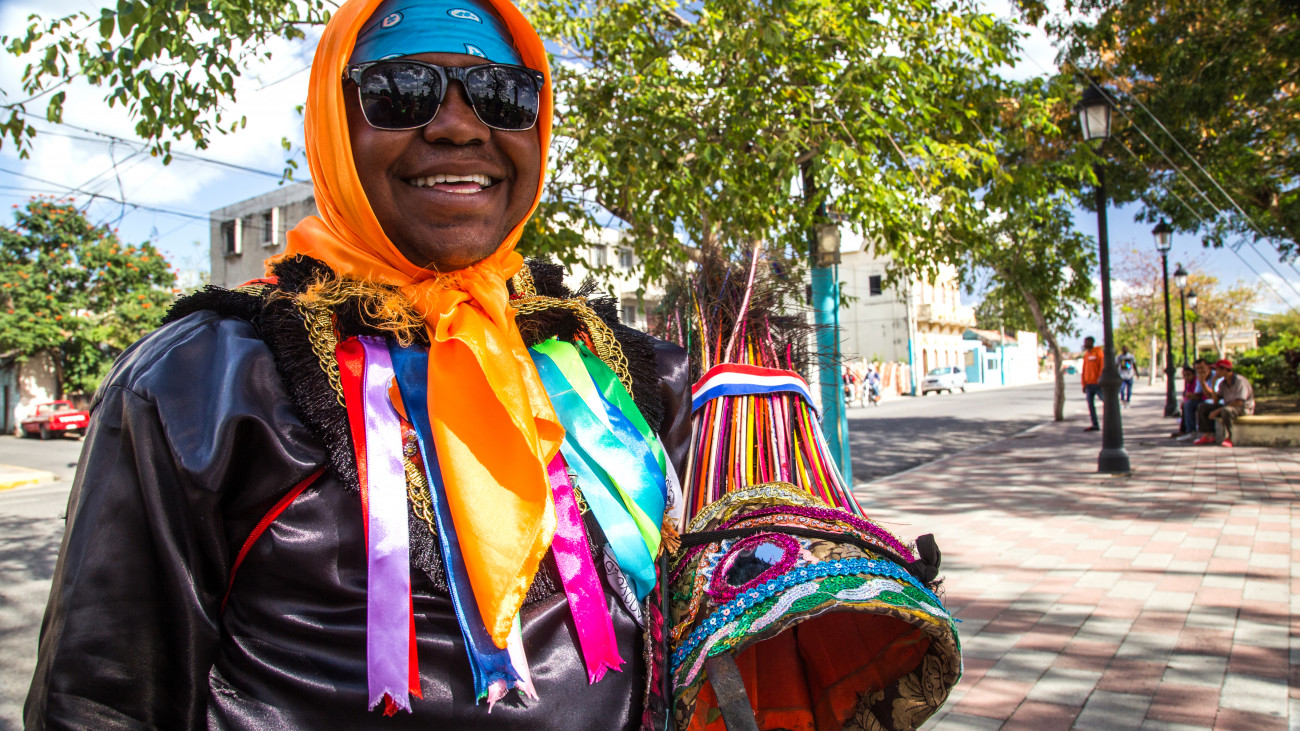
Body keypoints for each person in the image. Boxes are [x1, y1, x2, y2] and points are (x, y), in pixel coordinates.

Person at [25, 1, 691, 728]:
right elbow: (100, 702)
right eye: (402, 92)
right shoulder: (205, 382)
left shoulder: (628, 371)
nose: (461, 127)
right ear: (335, 128)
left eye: (503, 96)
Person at [1194, 359, 1254, 448]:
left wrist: (1218, 411)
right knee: (1203, 407)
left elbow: (1239, 401)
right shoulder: (1223, 383)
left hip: (1243, 408)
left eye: (1217, 369)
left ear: (1225, 370)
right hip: (1229, 406)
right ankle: (1208, 435)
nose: (1215, 372)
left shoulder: (1240, 381)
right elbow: (1215, 400)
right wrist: (1213, 384)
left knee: (1226, 410)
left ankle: (1230, 437)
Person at [1172, 361, 1206, 440]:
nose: (1186, 377)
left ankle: (1190, 431)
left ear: (1193, 374)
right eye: (1184, 375)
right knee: (1186, 405)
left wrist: (1190, 398)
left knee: (1188, 405)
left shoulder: (1197, 380)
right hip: (1195, 400)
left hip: (1203, 400)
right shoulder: (1189, 383)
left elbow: (1199, 394)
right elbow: (1187, 395)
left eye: (1188, 375)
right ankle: (1184, 430)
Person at [1080, 336, 1103, 431]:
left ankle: (1111, 421)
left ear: (1091, 342)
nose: (1085, 344)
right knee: (1090, 405)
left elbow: (1102, 367)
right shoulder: (1086, 355)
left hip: (1097, 384)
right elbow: (1084, 370)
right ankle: (1095, 424)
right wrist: (1083, 384)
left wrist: (1100, 380)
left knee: (1106, 402)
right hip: (1088, 385)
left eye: (1086, 342)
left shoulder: (1098, 353)